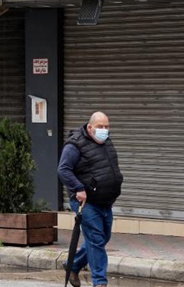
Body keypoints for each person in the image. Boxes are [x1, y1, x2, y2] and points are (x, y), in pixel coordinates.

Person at [58, 112, 123, 287]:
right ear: (90, 127)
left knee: (102, 237)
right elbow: (63, 170)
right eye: (100, 126)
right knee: (96, 239)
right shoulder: (75, 145)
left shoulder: (106, 142)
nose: (104, 130)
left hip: (104, 201)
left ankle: (74, 265)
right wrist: (78, 188)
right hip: (86, 202)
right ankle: (100, 282)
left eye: (107, 126)